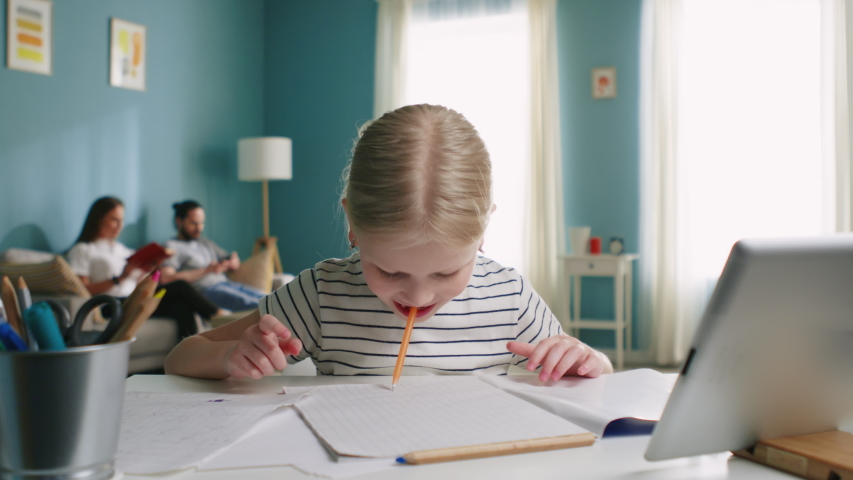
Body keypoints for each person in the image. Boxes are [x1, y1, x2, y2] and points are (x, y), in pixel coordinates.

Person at [165, 104, 613, 381]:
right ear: (352, 227)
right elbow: (182, 357)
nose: (418, 296)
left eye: (445, 272)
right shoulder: (323, 295)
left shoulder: (508, 296)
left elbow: (593, 373)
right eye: (391, 272)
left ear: (483, 232)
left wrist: (587, 360)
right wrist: (231, 357)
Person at [67, 196, 224, 340]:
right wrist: (120, 278)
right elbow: (82, 289)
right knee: (180, 286)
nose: (120, 226)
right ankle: (221, 317)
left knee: (183, 306)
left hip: (134, 299)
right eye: (114, 220)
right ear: (98, 219)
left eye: (122, 220)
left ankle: (185, 362)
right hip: (110, 305)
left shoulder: (122, 250)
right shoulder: (83, 249)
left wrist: (149, 269)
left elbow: (137, 282)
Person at [159, 200, 266, 312]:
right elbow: (167, 278)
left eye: (201, 223)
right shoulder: (171, 246)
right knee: (258, 306)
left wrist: (233, 262)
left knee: (268, 298)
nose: (199, 228)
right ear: (179, 221)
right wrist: (207, 270)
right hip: (206, 291)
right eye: (194, 223)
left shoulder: (204, 242)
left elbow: (230, 259)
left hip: (227, 284)